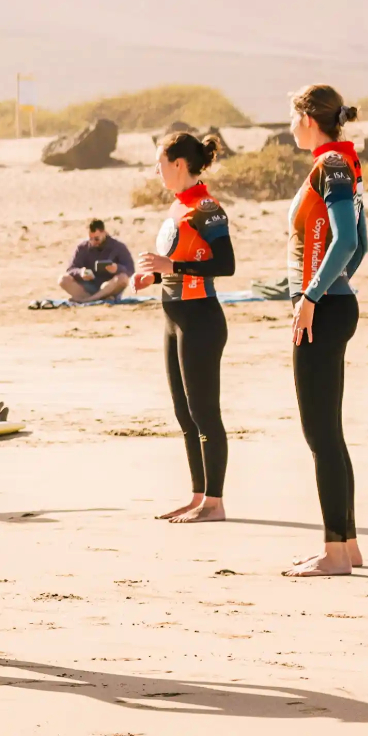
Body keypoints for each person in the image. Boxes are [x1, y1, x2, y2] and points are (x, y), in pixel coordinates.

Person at [282, 85, 368, 577]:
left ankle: (334, 554)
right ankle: (349, 545)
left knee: (320, 437)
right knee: (329, 435)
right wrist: (332, 286)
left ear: (308, 118)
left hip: (321, 312)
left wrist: (313, 296)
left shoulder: (331, 165)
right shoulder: (342, 163)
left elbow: (348, 239)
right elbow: (359, 248)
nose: (289, 127)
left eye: (292, 118)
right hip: (333, 306)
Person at [135, 132, 236, 522]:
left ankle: (215, 501)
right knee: (183, 412)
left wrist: (170, 268)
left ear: (179, 164)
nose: (156, 172)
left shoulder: (208, 209)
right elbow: (184, 260)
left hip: (201, 320)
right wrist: (155, 278)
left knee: (204, 412)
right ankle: (198, 495)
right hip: (173, 317)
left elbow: (224, 265)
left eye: (160, 164)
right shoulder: (179, 207)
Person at [58, 220, 135, 304]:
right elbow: (71, 269)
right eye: (90, 239)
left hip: (110, 286)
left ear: (104, 233)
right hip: (88, 287)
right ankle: (95, 298)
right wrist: (81, 272)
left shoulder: (118, 247)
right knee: (63, 279)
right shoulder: (82, 247)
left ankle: (88, 300)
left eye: (96, 239)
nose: (93, 242)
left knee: (123, 278)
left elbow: (130, 269)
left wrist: (117, 268)